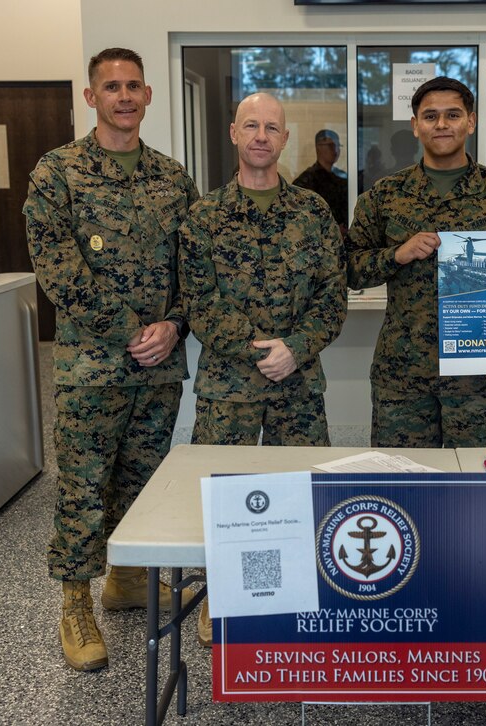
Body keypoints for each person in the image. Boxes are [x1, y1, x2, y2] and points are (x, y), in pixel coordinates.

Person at [24, 48, 200, 672]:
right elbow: (57, 270)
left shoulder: (174, 180)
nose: (123, 96)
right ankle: (75, 602)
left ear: (149, 95)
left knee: (143, 481)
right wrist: (133, 331)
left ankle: (125, 580)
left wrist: (175, 326)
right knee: (83, 487)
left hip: (158, 367)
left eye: (133, 86)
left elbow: (194, 269)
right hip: (92, 367)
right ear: (91, 96)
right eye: (111, 86)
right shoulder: (58, 173)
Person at [179, 93, 347, 643]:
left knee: (300, 496)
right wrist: (263, 353)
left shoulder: (312, 213)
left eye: (271, 127)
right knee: (225, 496)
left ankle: (291, 596)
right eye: (250, 125)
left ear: (283, 139)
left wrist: (295, 347)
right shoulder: (203, 216)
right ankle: (218, 597)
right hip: (229, 388)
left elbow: (332, 296)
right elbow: (200, 303)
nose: (260, 135)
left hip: (298, 385)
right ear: (233, 133)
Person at [347, 76, 486, 448]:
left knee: (482, 490)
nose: (441, 124)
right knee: (403, 487)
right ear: (415, 125)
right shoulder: (385, 196)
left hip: (479, 378)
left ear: (471, 121)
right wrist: (395, 254)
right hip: (403, 377)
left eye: (453, 114)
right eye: (430, 116)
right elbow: (350, 268)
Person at [292, 129, 349, 236]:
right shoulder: (306, 181)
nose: (335, 149)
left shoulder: (343, 177)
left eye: (337, 145)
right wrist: (331, 230)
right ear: (318, 147)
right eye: (330, 145)